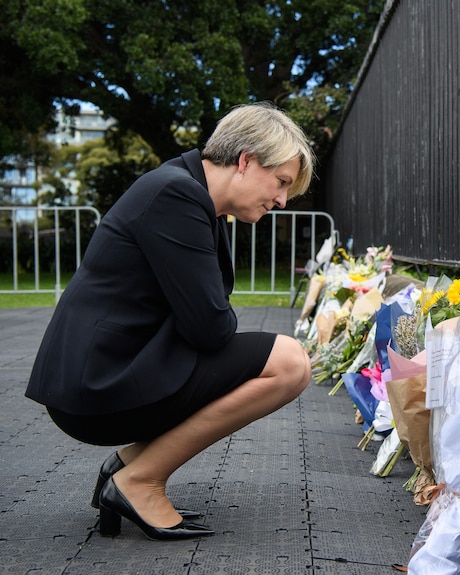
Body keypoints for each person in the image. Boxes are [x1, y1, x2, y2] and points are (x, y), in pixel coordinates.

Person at [26, 102, 315, 540]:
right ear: (245, 161)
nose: (280, 199)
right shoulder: (176, 195)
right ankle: (139, 480)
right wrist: (213, 314)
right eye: (281, 183)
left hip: (110, 370)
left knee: (282, 359)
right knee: (289, 362)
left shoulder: (187, 194)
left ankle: (129, 465)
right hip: (98, 383)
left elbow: (207, 319)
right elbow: (210, 327)